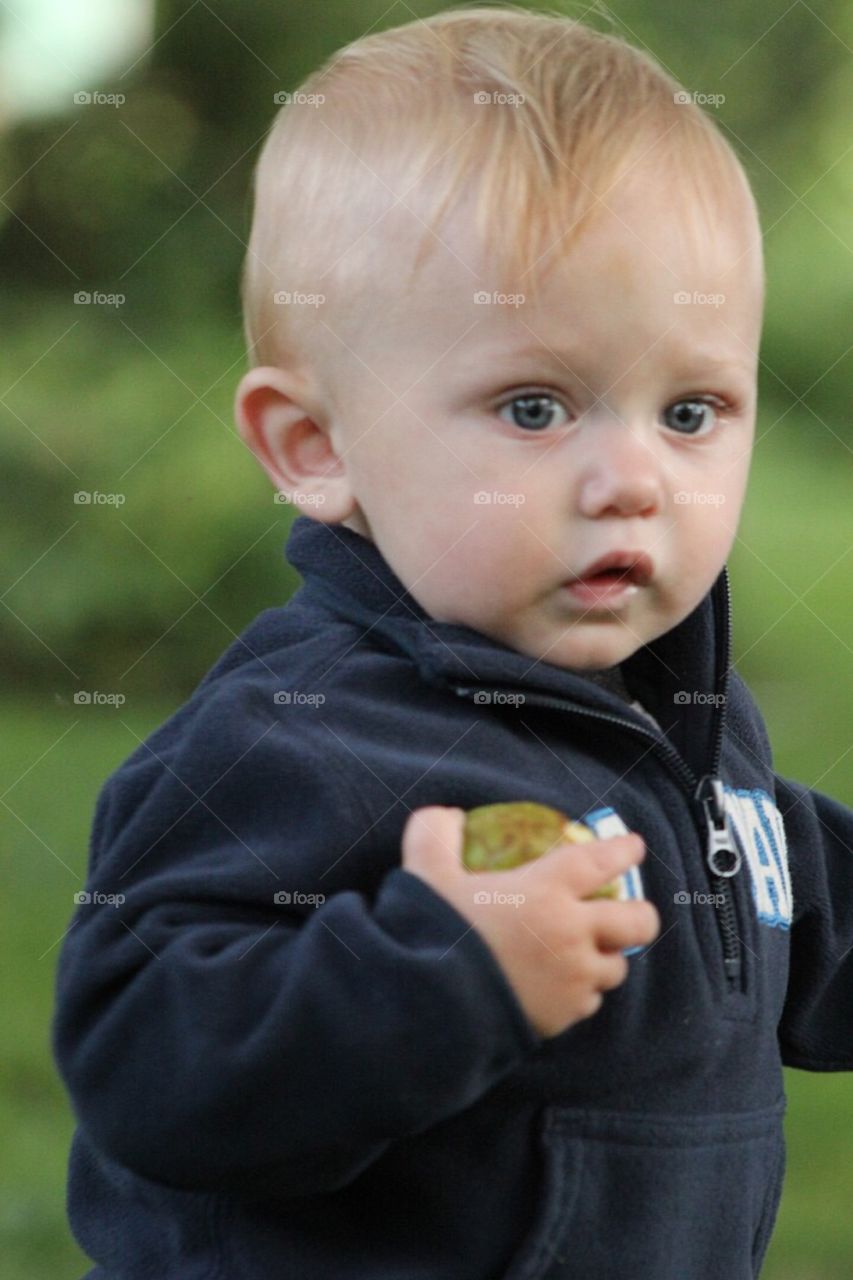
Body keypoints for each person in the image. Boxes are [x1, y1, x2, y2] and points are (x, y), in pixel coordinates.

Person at [52, 6, 853, 1278]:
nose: (632, 477)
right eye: (535, 407)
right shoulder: (296, 737)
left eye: (691, 409)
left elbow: (800, 913)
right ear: (315, 448)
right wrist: (444, 971)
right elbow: (143, 1059)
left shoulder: (687, 734)